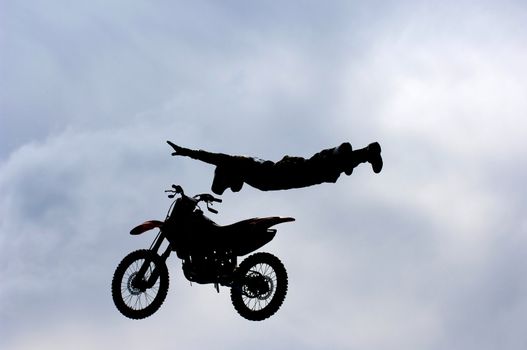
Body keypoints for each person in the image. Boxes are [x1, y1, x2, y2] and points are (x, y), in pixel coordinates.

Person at [167, 140, 383, 195]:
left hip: (285, 172)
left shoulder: (235, 163)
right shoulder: (243, 170)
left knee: (317, 166)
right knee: (324, 172)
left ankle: (339, 153)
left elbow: (212, 157)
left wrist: (186, 152)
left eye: (228, 184)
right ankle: (364, 154)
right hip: (288, 177)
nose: (234, 187)